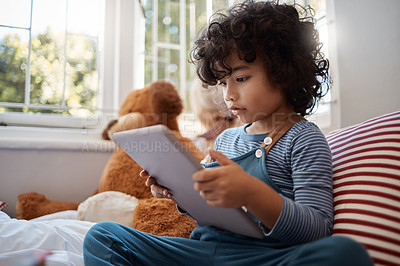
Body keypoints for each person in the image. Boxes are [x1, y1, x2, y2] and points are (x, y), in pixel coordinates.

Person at [83, 1, 373, 265]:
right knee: (103, 237)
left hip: (266, 258)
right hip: (203, 253)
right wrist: (176, 193)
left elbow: (317, 229)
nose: (229, 95)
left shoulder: (304, 139)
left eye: (242, 78)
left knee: (345, 254)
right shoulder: (225, 139)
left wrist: (251, 193)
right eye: (222, 83)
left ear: (284, 72)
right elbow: (208, 210)